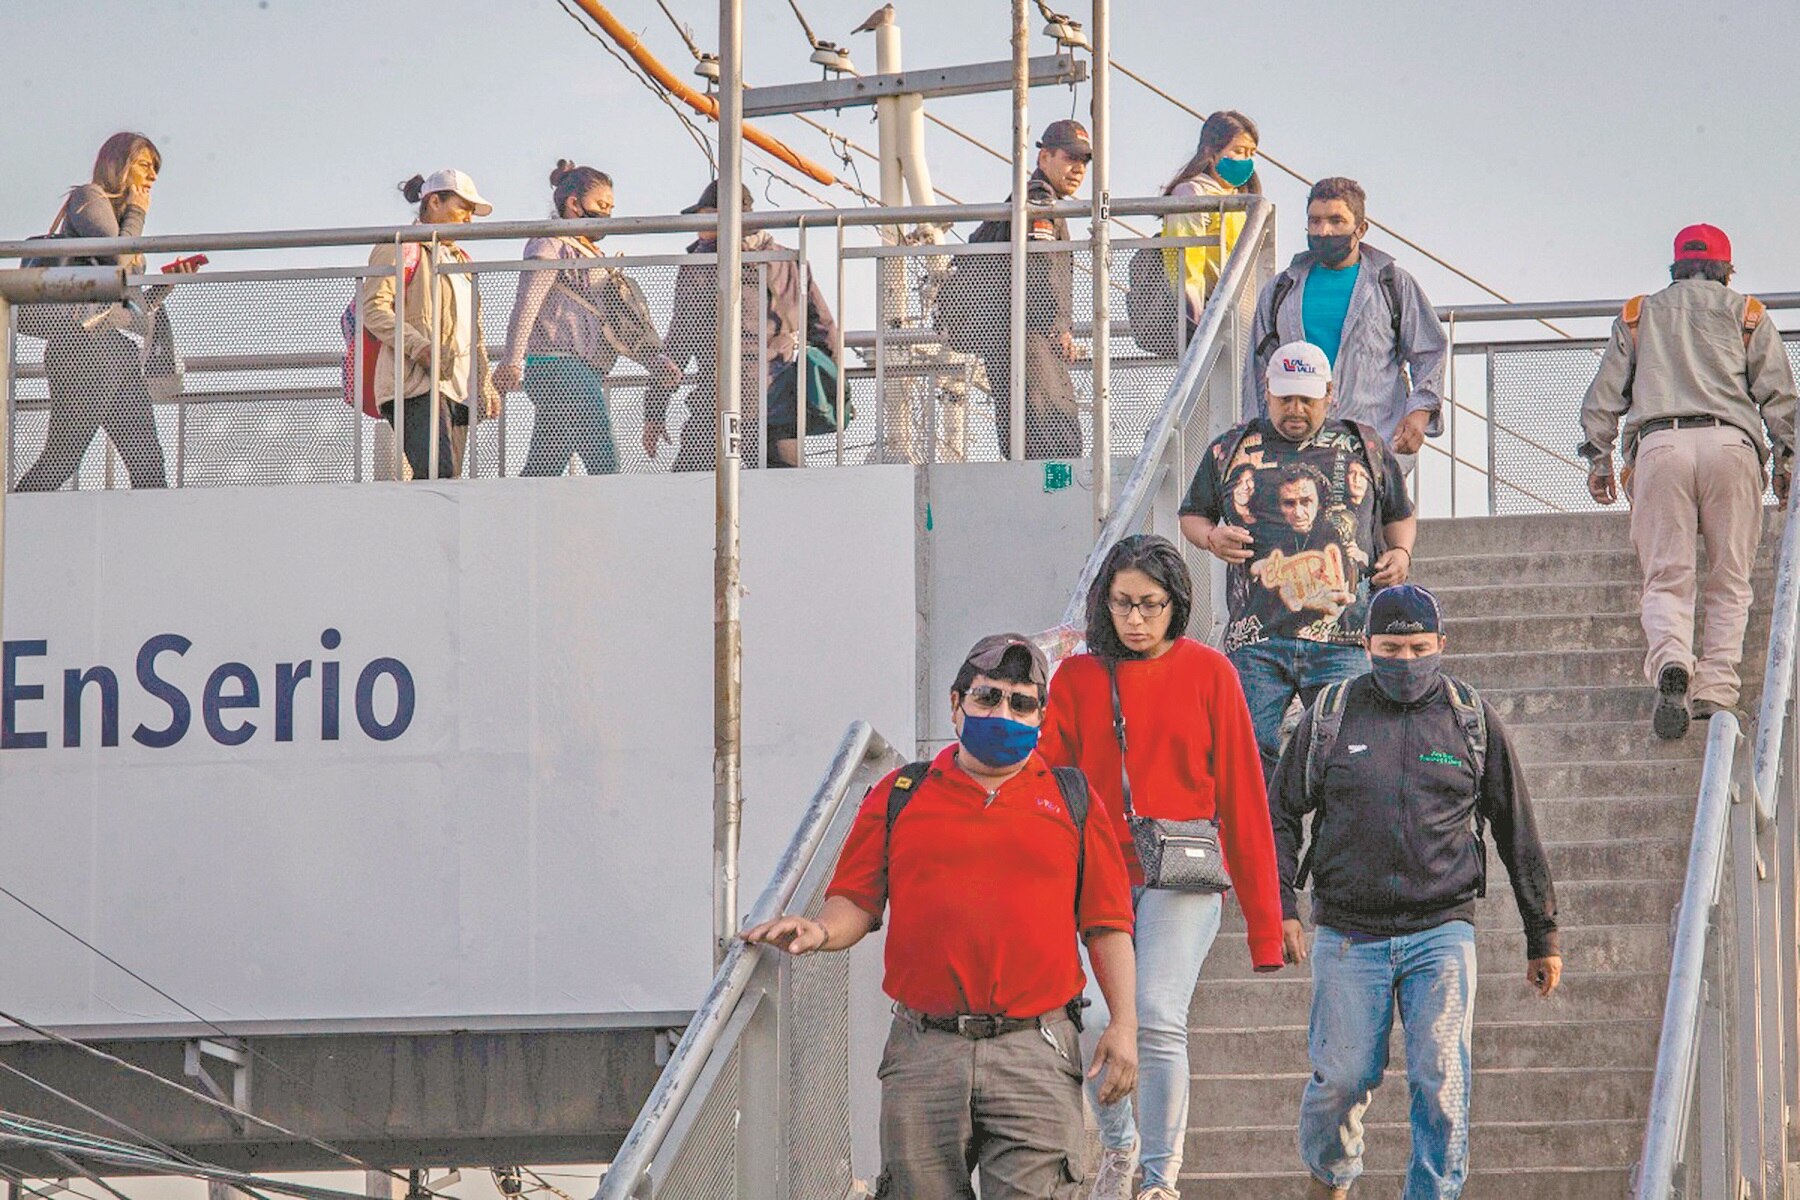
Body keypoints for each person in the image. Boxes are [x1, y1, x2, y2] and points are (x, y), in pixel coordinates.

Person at [743, 633, 1138, 1200]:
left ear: (1041, 716)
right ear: (956, 706)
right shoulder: (899, 792)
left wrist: (1123, 1025)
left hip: (1036, 1050)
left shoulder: (1071, 796)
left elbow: (1106, 924)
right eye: (988, 698)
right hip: (924, 1052)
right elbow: (856, 900)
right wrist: (821, 929)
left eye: (1021, 703)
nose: (1004, 713)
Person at [1270, 584, 1562, 1200]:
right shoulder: (1331, 714)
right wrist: (1280, 907)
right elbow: (1281, 811)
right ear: (1366, 646)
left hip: (1442, 929)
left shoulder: (1471, 718)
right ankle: (1330, 1180)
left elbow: (1517, 826)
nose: (1405, 661)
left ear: (1442, 646)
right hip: (1349, 934)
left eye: (1419, 647)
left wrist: (1544, 932)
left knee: (1442, 1080)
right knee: (1342, 1080)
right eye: (1390, 647)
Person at [1038, 535, 1284, 1200]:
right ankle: (1119, 1148)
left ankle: (1159, 1179)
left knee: (1155, 1013)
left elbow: (1243, 796)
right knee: (1092, 1016)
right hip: (1099, 876)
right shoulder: (1077, 678)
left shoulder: (1211, 673)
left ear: (1177, 605)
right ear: (1103, 604)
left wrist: (1268, 924)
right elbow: (1045, 780)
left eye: (1151, 604)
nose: (1137, 619)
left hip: (1184, 872)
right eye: (1123, 604)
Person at [1578, 223, 1797, 738]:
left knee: (1667, 577)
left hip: (1661, 446)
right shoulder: (1748, 314)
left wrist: (1599, 457)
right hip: (1732, 447)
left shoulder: (1638, 315)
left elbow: (1604, 395)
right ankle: (1716, 690)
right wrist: (1788, 462)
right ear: (1727, 270)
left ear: (1675, 268)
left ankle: (1674, 657)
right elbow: (1781, 398)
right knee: (1729, 579)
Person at [1180, 342, 1416, 778]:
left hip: (1343, 639)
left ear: (1330, 393)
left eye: (1307, 399)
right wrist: (1211, 537)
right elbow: (1191, 515)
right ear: (1266, 390)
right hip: (1256, 640)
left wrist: (1400, 553)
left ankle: (1337, 846)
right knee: (1246, 760)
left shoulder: (1364, 445)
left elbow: (1401, 514)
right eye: (1285, 397)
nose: (1295, 409)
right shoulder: (1230, 448)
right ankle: (1263, 846)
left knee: (1351, 761)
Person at [17, 132, 194, 492]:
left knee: (148, 463)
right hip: (83, 348)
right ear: (119, 164)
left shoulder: (121, 219)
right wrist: (138, 213)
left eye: (155, 168)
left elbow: (129, 305)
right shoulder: (90, 197)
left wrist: (165, 285)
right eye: (145, 165)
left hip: (116, 350)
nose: (153, 176)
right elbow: (120, 259)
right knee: (63, 457)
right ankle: (16, 528)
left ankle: (151, 543)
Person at [1242, 177, 1448, 469]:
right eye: (1314, 221)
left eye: (1336, 221)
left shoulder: (1393, 285)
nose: (1323, 231)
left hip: (1373, 448)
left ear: (1360, 229)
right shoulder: (1281, 290)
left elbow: (1430, 351)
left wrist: (1420, 412)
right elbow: (1258, 369)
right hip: (1294, 454)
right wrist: (1253, 437)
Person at [492, 161, 682, 476]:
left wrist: (655, 359)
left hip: (579, 372)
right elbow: (527, 302)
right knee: (603, 460)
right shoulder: (551, 243)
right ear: (574, 204)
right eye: (601, 205)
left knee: (546, 464)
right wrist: (512, 360)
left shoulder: (590, 253)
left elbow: (619, 324)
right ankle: (606, 521)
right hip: (561, 367)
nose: (607, 213)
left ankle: (521, 518)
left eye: (610, 207)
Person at [657, 180, 840, 471]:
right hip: (777, 395)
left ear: (722, 216)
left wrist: (654, 409)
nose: (696, 226)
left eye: (702, 216)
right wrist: (836, 392)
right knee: (785, 489)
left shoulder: (701, 264)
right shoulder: (791, 261)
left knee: (689, 491)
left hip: (717, 396)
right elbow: (824, 330)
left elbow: (681, 339)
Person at [358, 169, 500, 480]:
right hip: (415, 385)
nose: (468, 219)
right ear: (434, 201)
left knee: (447, 485)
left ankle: (420, 529)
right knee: (440, 478)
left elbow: (474, 331)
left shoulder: (461, 259)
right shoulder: (401, 245)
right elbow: (374, 309)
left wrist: (485, 382)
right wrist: (419, 346)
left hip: (457, 389)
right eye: (463, 207)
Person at [966, 119, 1089, 461]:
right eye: (1070, 158)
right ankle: (1054, 512)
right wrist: (1057, 330)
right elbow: (1039, 273)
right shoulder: (1038, 201)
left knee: (1030, 443)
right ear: (1044, 157)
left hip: (1018, 342)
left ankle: (1044, 509)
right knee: (1053, 443)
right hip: (1030, 344)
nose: (1079, 169)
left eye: (1085, 162)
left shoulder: (1034, 200)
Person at [1162, 110, 1260, 329]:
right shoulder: (1192, 194)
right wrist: (1195, 323)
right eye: (1238, 151)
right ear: (1211, 153)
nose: (1247, 160)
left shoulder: (1241, 202)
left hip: (1236, 318)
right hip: (1206, 318)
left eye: (1251, 153)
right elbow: (1186, 263)